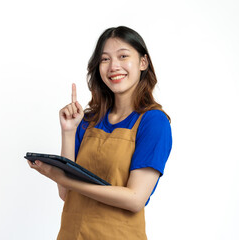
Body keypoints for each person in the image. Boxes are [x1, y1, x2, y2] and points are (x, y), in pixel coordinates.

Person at [28, 26, 172, 240]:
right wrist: (68, 132)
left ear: (143, 62)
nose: (114, 66)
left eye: (123, 56)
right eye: (105, 59)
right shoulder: (88, 121)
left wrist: (64, 180)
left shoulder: (153, 122)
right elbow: (66, 194)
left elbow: (135, 199)